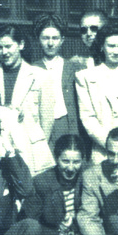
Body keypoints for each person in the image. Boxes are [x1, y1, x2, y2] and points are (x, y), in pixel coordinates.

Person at [0, 25, 56, 175]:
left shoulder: (40, 76)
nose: (4, 52)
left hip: (29, 149)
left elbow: (46, 121)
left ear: (20, 45)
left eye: (8, 46)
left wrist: (38, 148)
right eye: (0, 48)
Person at [74, 24, 118, 162]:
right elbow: (88, 118)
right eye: (111, 46)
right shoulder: (85, 76)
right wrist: (111, 145)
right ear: (102, 46)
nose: (116, 51)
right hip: (104, 150)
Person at [31, 13, 82, 148]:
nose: (50, 43)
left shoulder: (73, 67)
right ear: (38, 39)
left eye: (55, 38)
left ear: (62, 40)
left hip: (67, 123)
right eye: (45, 38)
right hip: (42, 124)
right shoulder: (31, 69)